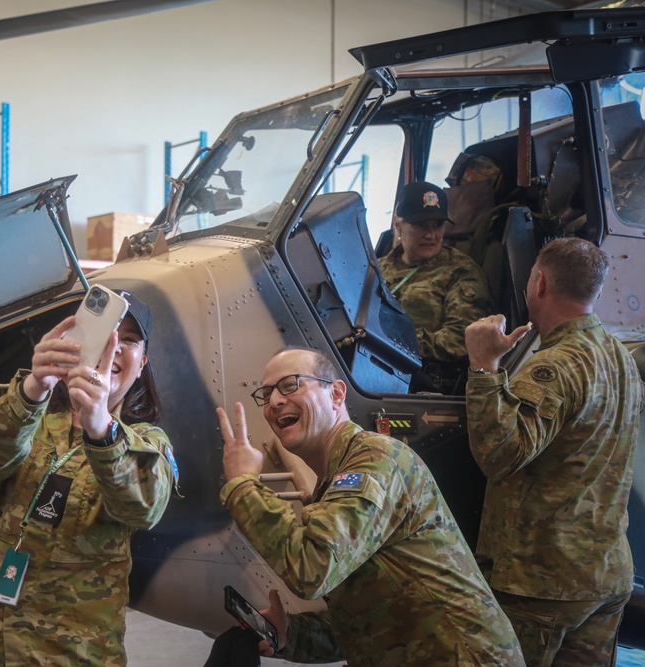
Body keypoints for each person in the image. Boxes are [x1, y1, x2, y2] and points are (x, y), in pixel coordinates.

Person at [213, 347, 523, 666]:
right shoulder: (333, 485)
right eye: (267, 393)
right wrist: (291, 634)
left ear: (335, 394)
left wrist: (243, 486)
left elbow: (311, 570)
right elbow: (364, 626)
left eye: (290, 385)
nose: (275, 401)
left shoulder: (375, 460)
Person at [0, 290, 177, 667]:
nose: (112, 346)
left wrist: (101, 427)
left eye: (129, 340)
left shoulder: (147, 444)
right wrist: (33, 387)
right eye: (103, 332)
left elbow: (143, 508)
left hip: (64, 651)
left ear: (142, 363)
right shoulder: (25, 410)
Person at [464, 237, 644, 666]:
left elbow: (499, 454)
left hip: (541, 584)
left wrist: (484, 367)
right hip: (605, 574)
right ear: (597, 292)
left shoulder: (555, 366)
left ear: (539, 283)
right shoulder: (620, 358)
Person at [380, 181, 493, 392]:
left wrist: (396, 343)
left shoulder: (460, 270)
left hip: (426, 384)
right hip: (370, 372)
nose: (431, 235)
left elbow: (463, 338)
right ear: (398, 226)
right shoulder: (376, 269)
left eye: (438, 225)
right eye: (421, 225)